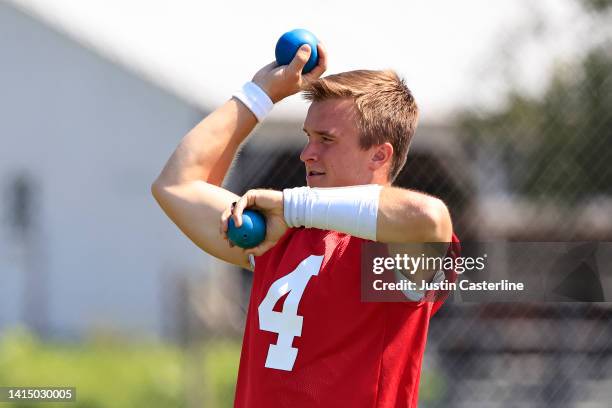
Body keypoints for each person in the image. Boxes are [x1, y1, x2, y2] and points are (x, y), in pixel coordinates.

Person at [152, 43, 458, 408]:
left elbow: (428, 216)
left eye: (326, 140)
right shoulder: (282, 232)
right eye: (308, 138)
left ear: (379, 154)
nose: (306, 153)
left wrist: (292, 205)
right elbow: (177, 184)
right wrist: (259, 95)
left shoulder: (388, 254)